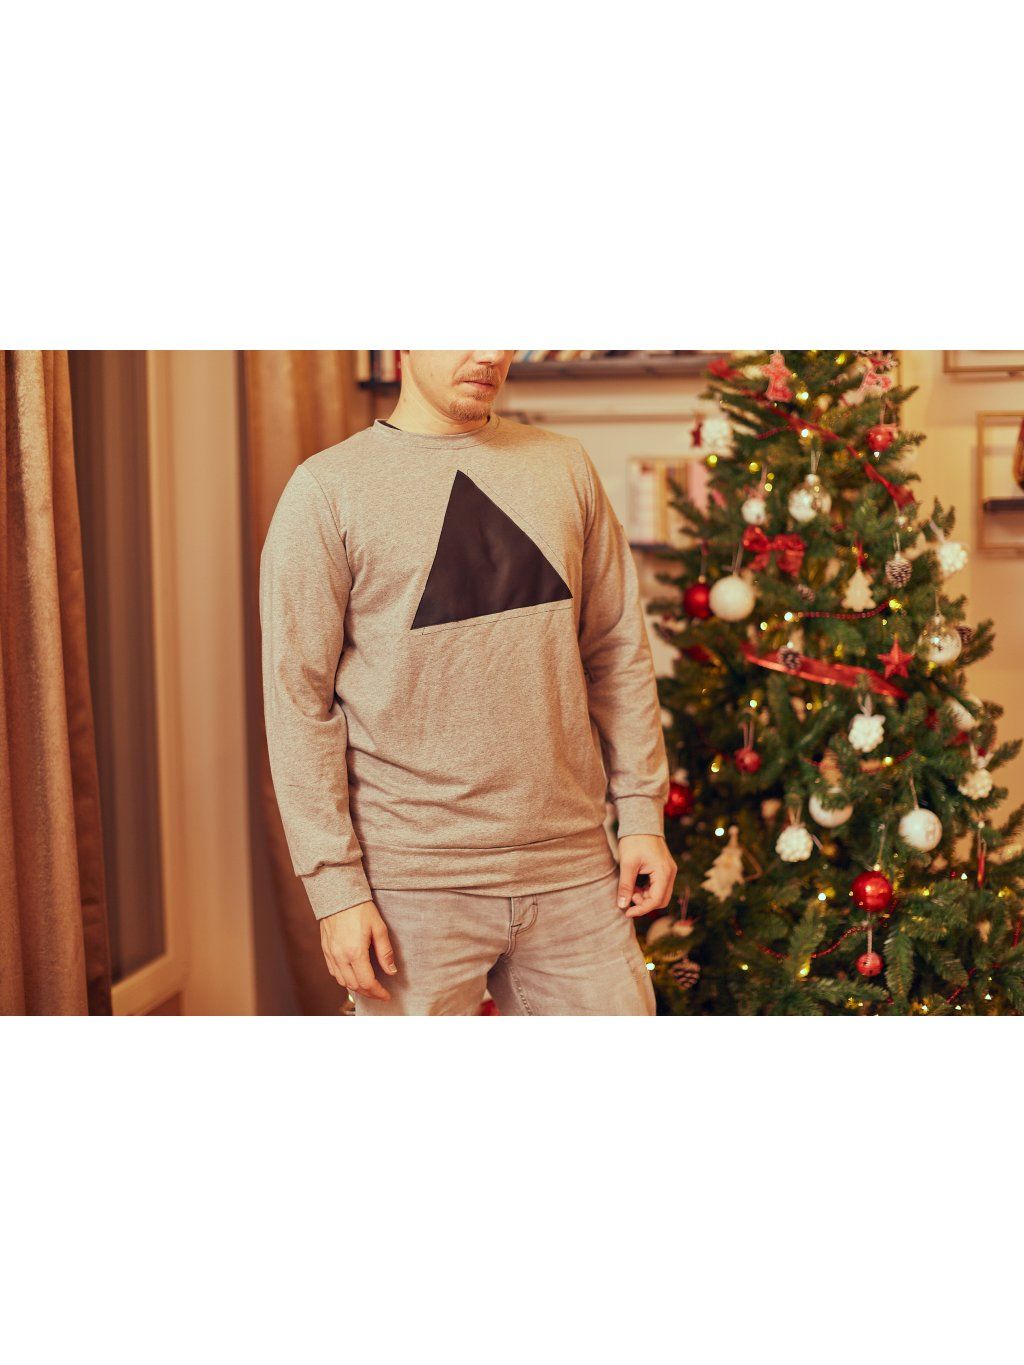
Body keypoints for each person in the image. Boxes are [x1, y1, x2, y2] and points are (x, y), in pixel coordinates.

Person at [259, 350, 676, 1015]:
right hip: (410, 883)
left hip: (573, 868)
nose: (490, 352)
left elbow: (616, 650)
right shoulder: (326, 490)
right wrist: (335, 888)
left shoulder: (565, 466)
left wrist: (642, 815)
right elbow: (298, 704)